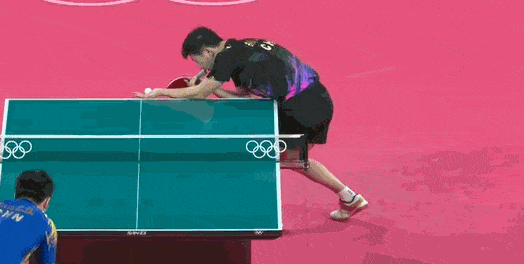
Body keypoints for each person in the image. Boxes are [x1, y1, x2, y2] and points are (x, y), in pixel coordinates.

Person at [134, 27, 367, 221]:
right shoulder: (241, 48)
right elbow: (243, 98)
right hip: (312, 99)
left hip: (304, 109)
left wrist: (160, 92)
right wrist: (210, 84)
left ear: (208, 51)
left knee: (282, 158)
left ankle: (346, 197)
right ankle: (349, 197)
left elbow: (200, 92)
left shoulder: (227, 59)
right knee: (291, 159)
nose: (198, 67)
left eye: (197, 60)